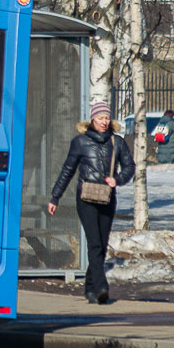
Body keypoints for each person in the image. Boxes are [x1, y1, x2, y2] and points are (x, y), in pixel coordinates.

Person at [49, 101, 135, 304]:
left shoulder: (117, 142)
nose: (104, 122)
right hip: (86, 199)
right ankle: (101, 286)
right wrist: (55, 197)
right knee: (94, 243)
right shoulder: (80, 142)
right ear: (92, 120)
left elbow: (130, 166)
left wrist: (117, 179)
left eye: (107, 118)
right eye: (100, 118)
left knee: (102, 246)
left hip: (107, 198)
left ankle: (89, 288)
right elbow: (67, 170)